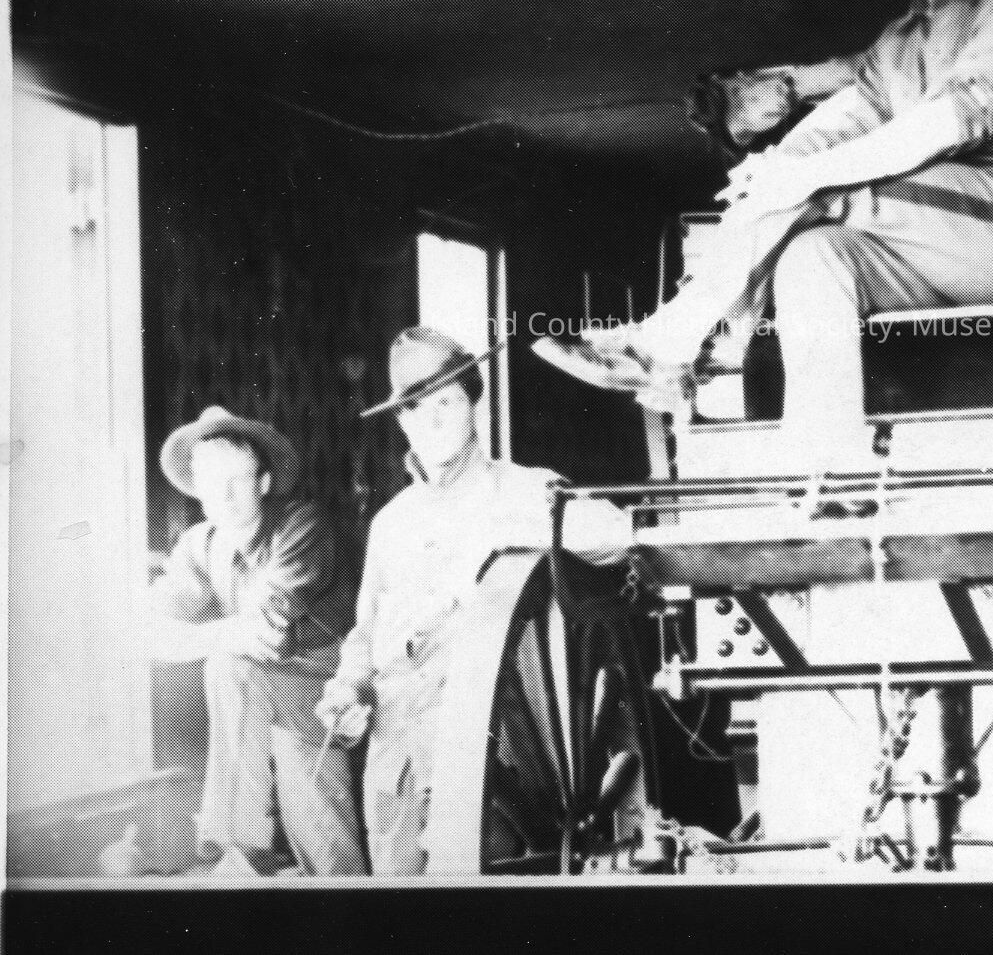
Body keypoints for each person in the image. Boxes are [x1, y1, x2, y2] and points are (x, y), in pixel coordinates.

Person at [533, 0, 993, 478]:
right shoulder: (899, 41)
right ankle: (830, 470)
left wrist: (799, 178)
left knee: (820, 189)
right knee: (812, 256)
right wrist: (772, 169)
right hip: (941, 247)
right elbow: (843, 122)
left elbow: (947, 123)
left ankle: (669, 344)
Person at [314, 327, 632, 874]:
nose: (432, 420)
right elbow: (364, 634)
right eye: (416, 408)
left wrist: (519, 529)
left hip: (490, 759)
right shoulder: (391, 523)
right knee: (394, 901)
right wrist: (346, 687)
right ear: (401, 421)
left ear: (473, 406)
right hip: (396, 754)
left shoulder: (526, 490)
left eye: (447, 402)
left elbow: (621, 536)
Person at [149, 407, 367, 875]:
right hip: (255, 691)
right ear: (196, 489)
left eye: (238, 480)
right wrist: (220, 635)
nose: (225, 495)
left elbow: (269, 631)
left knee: (327, 849)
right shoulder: (197, 545)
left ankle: (238, 844)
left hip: (324, 683)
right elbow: (153, 634)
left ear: (263, 483)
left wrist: (202, 638)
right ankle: (244, 851)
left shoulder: (302, 525)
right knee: (232, 665)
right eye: (212, 482)